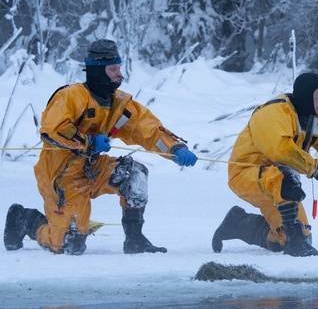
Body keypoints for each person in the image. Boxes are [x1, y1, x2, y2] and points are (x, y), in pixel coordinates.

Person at [4, 39, 198, 255]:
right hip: (60, 176)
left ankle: (135, 240)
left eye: (119, 68)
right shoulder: (71, 96)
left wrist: (175, 148)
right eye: (112, 69)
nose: (118, 74)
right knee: (69, 244)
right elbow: (54, 129)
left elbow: (148, 129)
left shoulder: (120, 105)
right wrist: (88, 141)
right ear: (97, 70)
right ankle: (23, 219)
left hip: (92, 168)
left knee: (135, 174)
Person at [211, 72, 318, 257]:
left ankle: (238, 223)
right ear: (306, 97)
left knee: (291, 237)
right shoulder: (272, 113)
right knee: (285, 176)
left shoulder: (317, 119)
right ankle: (296, 244)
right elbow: (281, 149)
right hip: (247, 175)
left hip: (280, 184)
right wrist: (317, 170)